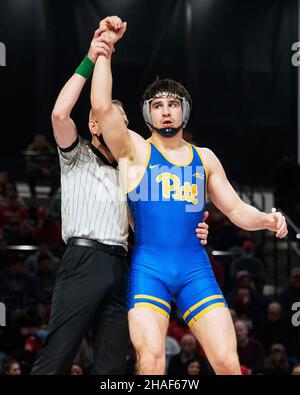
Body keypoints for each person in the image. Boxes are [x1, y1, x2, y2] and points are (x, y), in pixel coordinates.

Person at [91, 15, 288, 375]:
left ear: (185, 109)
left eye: (173, 104)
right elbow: (103, 109)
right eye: (158, 105)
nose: (166, 111)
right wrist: (105, 49)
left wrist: (267, 219)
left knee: (228, 363)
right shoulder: (135, 149)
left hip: (195, 269)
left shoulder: (205, 158)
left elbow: (236, 210)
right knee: (151, 363)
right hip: (150, 268)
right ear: (148, 114)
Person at [31, 21, 209, 375]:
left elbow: (155, 221)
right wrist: (92, 57)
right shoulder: (75, 154)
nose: (119, 128)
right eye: (112, 120)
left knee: (112, 366)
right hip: (84, 258)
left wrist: (193, 233)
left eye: (125, 122)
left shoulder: (135, 173)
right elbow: (59, 114)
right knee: (58, 357)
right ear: (97, 125)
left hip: (123, 264)